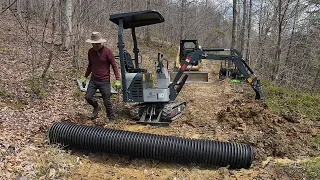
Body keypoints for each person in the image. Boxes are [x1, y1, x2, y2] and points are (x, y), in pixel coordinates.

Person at [82, 32, 122, 122]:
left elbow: (114, 65)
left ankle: (111, 118)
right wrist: (85, 77)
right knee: (88, 97)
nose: (95, 46)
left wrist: (117, 79)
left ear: (100, 43)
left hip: (104, 81)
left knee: (107, 102)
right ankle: (96, 107)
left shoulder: (107, 52)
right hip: (94, 80)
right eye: (93, 44)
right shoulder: (90, 52)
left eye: (96, 44)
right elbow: (90, 65)